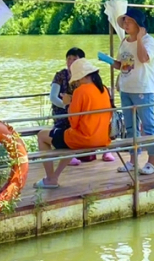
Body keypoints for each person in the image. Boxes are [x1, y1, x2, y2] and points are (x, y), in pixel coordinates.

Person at [35, 58, 112, 188]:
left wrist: (67, 103)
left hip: (84, 139)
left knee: (42, 135)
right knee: (67, 141)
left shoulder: (80, 91)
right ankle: (54, 177)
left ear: (80, 77)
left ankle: (50, 178)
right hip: (103, 138)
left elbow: (73, 122)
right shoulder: (104, 90)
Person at [112, 7, 154, 175]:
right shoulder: (124, 42)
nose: (125, 24)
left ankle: (151, 162)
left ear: (138, 24)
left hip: (143, 89)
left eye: (129, 21)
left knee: (148, 126)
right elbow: (124, 64)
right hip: (126, 89)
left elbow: (143, 58)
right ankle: (133, 161)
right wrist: (110, 61)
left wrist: (139, 39)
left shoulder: (148, 41)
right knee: (130, 127)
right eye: (124, 21)